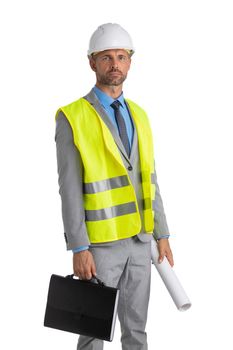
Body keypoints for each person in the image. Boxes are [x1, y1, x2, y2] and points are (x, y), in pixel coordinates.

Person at [55, 23, 174, 350]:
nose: (115, 64)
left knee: (137, 330)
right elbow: (69, 189)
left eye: (121, 56)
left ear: (130, 62)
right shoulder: (72, 116)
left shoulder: (140, 115)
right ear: (92, 62)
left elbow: (150, 178)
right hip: (100, 244)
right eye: (106, 57)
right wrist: (79, 247)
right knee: (94, 331)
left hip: (141, 242)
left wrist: (162, 233)